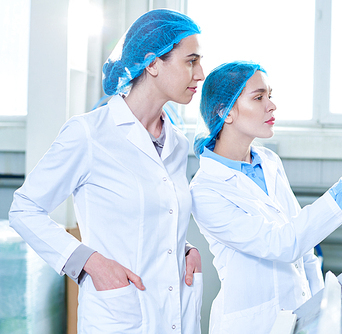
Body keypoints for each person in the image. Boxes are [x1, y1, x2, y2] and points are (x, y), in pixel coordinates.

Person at [9, 9, 204, 334]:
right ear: (153, 63)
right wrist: (90, 262)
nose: (200, 74)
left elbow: (153, 215)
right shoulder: (89, 134)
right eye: (191, 61)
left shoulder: (178, 144)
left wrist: (184, 248)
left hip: (176, 316)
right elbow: (24, 209)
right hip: (120, 315)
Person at [189, 61, 342, 333]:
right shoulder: (206, 190)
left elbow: (304, 245)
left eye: (270, 96)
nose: (271, 106)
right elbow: (282, 244)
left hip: (299, 316)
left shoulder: (268, 161)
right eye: (258, 97)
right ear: (224, 112)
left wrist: (322, 313)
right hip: (252, 325)